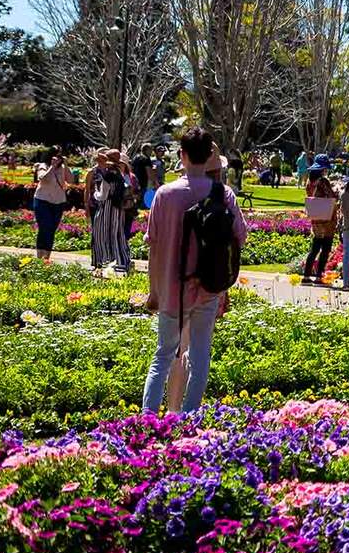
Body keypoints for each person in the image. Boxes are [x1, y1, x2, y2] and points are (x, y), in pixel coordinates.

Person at [140, 127, 248, 413]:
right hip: (209, 286)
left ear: (182, 155)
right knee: (200, 356)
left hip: (172, 289)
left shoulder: (165, 195)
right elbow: (239, 239)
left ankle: (148, 420)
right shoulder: (224, 194)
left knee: (162, 356)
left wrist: (153, 291)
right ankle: (189, 417)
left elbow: (153, 246)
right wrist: (224, 287)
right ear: (210, 156)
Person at [88, 149, 132, 273]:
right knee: (117, 234)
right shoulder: (119, 173)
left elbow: (102, 195)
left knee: (101, 234)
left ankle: (104, 261)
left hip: (106, 208)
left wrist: (95, 194)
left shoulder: (107, 175)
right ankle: (121, 260)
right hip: (118, 209)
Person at [300, 156, 337, 285]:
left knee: (314, 248)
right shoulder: (323, 182)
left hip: (316, 219)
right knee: (325, 249)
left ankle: (306, 275)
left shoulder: (310, 182)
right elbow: (331, 196)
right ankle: (319, 275)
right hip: (327, 220)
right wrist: (337, 191)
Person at [31, 148, 73, 260]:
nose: (58, 159)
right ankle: (40, 256)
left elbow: (71, 180)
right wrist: (52, 167)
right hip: (42, 200)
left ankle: (47, 257)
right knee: (44, 227)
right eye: (56, 156)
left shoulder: (63, 168)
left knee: (51, 229)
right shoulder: (42, 166)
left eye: (60, 157)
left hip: (58, 201)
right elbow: (43, 179)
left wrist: (65, 165)